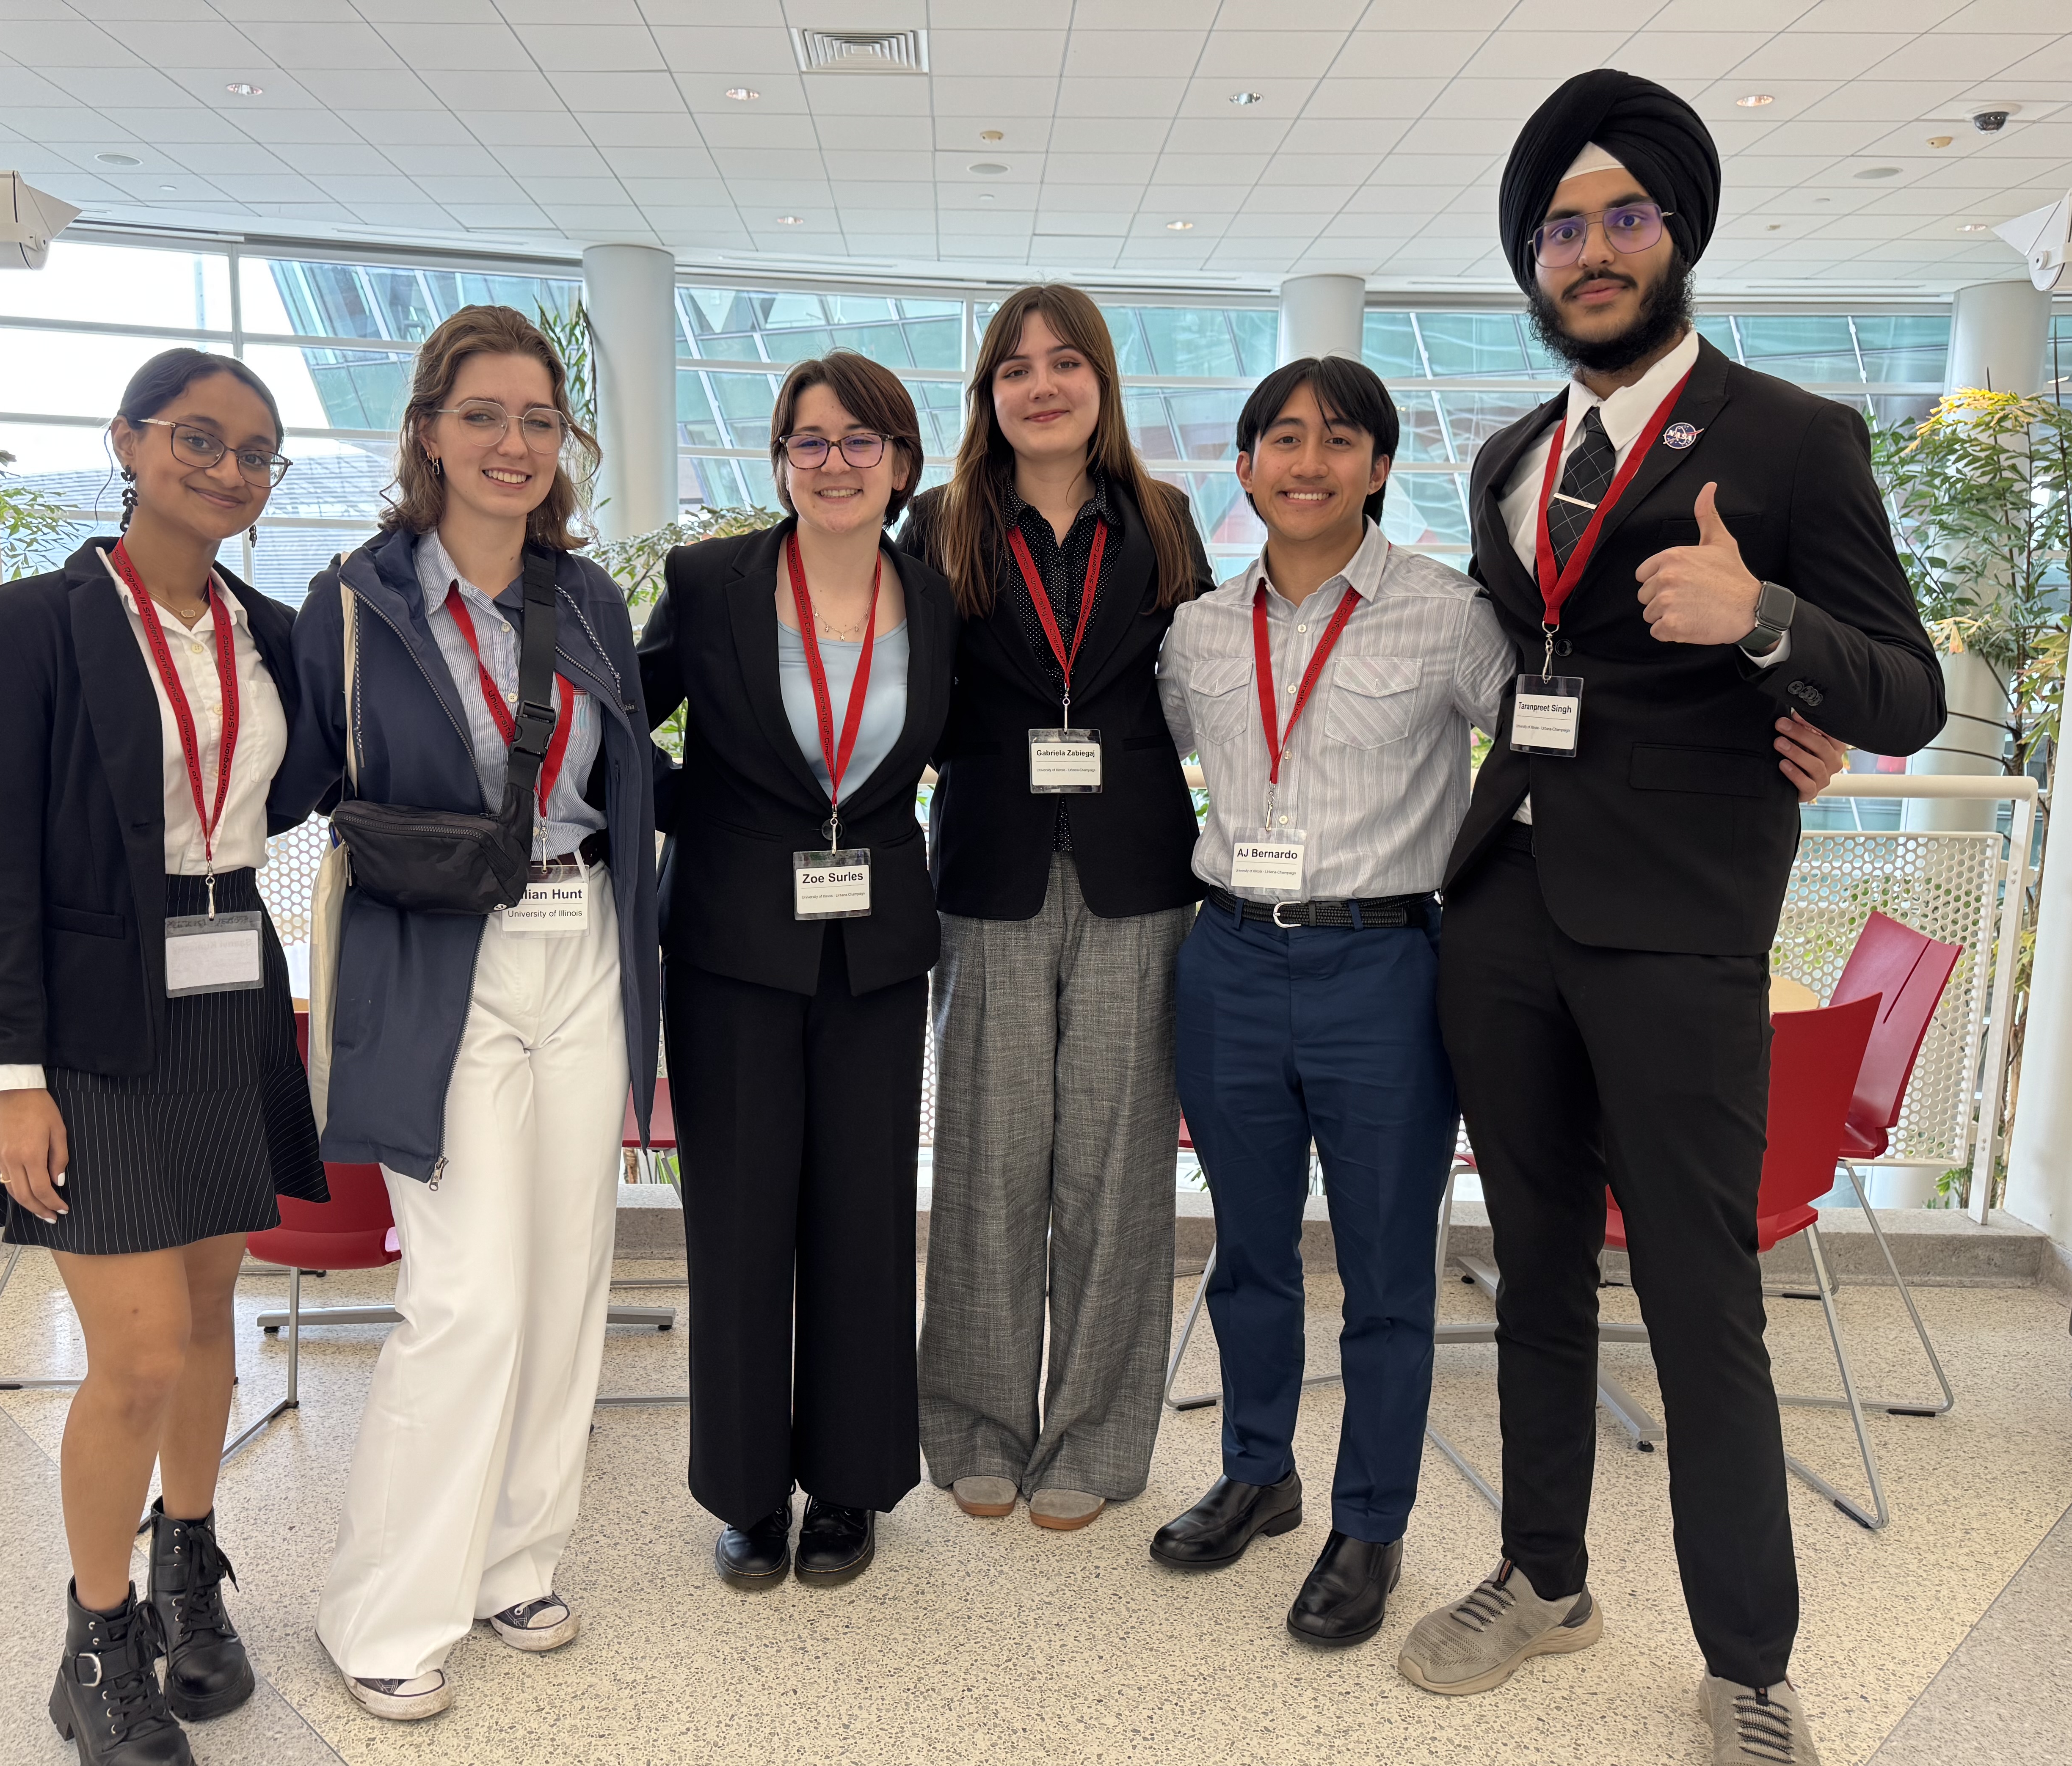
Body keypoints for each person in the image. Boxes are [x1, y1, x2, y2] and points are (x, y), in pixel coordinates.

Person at [1392, 71, 1946, 1766]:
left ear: (1680, 232)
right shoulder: (1506, 459)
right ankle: (1547, 1577)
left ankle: (1751, 1672)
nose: (1593, 247)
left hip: (1680, 931)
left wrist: (1768, 621)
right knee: (1534, 1269)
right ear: (1532, 262)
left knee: (1706, 1307)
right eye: (1562, 224)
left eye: (1627, 213)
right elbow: (1506, 673)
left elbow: (1912, 692)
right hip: (1503, 915)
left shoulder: (1791, 441)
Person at [1150, 357, 1851, 1647]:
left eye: (1339, 440)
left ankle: (1371, 1521)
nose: (1308, 462)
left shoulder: (1449, 612)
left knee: (1382, 1266)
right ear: (1242, 467)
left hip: (1385, 965)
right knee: (1246, 1253)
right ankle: (1260, 1470)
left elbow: (1578, 724)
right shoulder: (1195, 631)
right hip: (1232, 960)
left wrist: (1786, 729)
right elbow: (1144, 769)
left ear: (1379, 468)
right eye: (1281, 440)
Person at [0, 349, 325, 1766]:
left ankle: (189, 1563)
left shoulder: (274, 631)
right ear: (129, 440)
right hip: (94, 1021)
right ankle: (95, 1636)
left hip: (233, 990)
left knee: (216, 1301)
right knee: (140, 1346)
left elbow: (293, 789)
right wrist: (8, 1070)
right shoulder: (28, 627)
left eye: (256, 452)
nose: (228, 469)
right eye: (199, 439)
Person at [273, 304, 658, 1721]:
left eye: (539, 421)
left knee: (566, 1282)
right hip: (443, 962)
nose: (513, 444)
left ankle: (515, 1559)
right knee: (468, 1293)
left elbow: (624, 793)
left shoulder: (590, 598)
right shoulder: (354, 603)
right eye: (484, 415)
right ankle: (383, 1605)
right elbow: (297, 776)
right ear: (428, 427)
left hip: (582, 944)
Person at [639, 350, 958, 1589]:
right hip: (728, 947)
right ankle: (744, 1489)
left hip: (874, 953)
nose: (836, 463)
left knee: (867, 1219)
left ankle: (850, 1485)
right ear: (778, 459)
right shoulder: (713, 581)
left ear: (901, 462)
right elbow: (619, 722)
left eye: (860, 440)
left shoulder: (931, 600)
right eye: (810, 441)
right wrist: (702, 808)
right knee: (737, 1224)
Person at [898, 284, 1211, 1534]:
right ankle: (975, 1424)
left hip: (1140, 872)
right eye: (1015, 366)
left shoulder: (1169, 521)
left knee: (1117, 1168)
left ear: (1101, 384)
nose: (1042, 385)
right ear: (988, 393)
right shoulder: (936, 524)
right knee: (984, 1157)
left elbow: (1212, 684)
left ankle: (1092, 1434)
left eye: (1065, 362)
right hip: (989, 870)